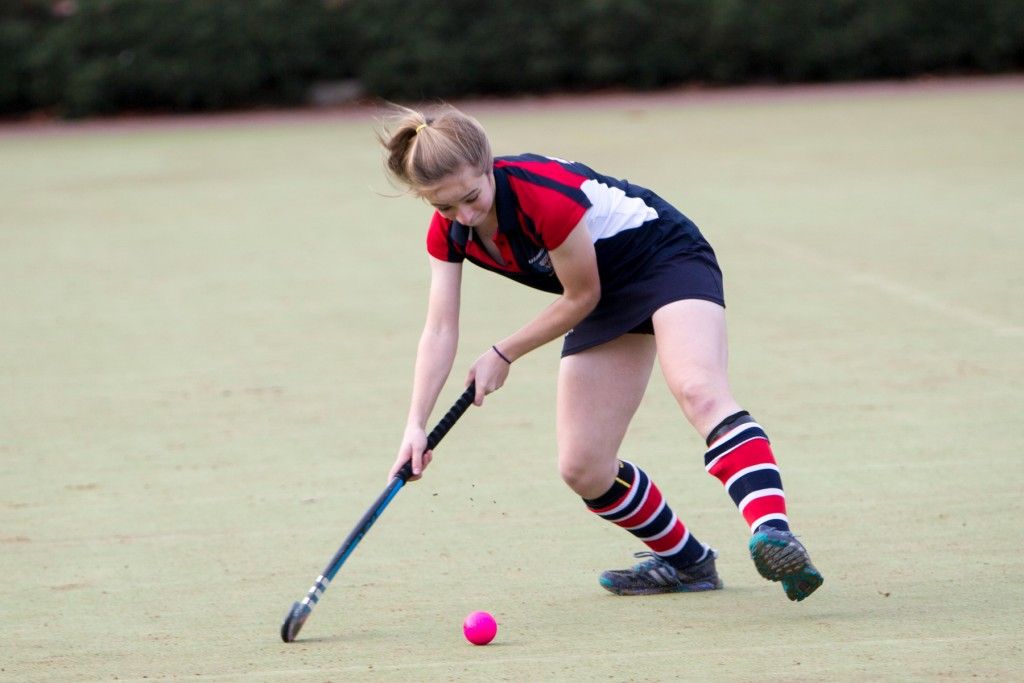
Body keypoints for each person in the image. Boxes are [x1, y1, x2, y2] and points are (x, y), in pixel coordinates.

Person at [379, 103, 823, 601]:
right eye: (444, 207)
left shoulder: (541, 196)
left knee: (698, 390)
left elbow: (581, 297)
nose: (463, 215)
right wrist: (415, 425)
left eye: (470, 197)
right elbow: (440, 328)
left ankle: (773, 531)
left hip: (664, 259)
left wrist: (504, 353)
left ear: (488, 166)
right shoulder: (450, 232)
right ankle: (688, 564)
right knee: (583, 466)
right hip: (602, 292)